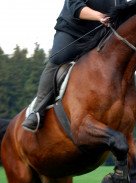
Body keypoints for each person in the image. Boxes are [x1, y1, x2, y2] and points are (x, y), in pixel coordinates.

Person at [22, 0, 126, 132]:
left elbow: (124, 12)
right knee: (58, 58)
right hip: (72, 32)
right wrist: (99, 16)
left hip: (101, 36)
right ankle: (37, 111)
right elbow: (75, 7)